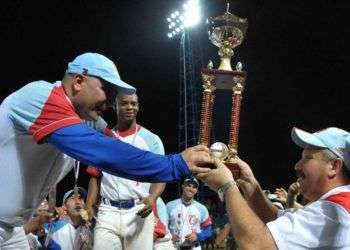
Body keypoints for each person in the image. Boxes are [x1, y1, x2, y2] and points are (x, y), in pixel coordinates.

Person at [0, 52, 213, 248]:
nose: (111, 103)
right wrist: (175, 164)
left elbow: (118, 145)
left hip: (12, 229)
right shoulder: (41, 97)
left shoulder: (80, 118)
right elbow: (108, 153)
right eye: (108, 91)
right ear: (78, 82)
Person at [198, 127, 350, 249]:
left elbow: (256, 245)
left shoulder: (334, 210)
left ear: (334, 166)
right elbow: (277, 218)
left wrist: (226, 186)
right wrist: (250, 185)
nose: (297, 165)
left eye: (307, 158)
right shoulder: (338, 205)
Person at [86, 92, 166, 249]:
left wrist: (153, 197)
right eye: (124, 103)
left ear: (138, 107)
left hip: (138, 210)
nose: (129, 107)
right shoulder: (104, 138)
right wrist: (88, 205)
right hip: (107, 211)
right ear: (115, 106)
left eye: (133, 104)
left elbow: (161, 175)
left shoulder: (151, 139)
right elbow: (95, 176)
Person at [167, 178, 213, 250]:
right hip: (173, 246)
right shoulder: (170, 206)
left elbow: (208, 230)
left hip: (194, 247)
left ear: (196, 190)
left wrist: (198, 236)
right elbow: (162, 226)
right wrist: (169, 236)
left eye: (194, 187)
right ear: (183, 186)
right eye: (188, 185)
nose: (191, 189)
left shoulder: (202, 208)